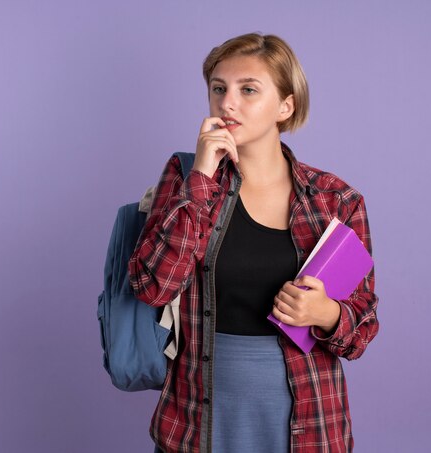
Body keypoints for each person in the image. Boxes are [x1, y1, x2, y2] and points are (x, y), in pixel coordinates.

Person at [129, 32, 379, 453]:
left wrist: (328, 313)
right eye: (218, 89)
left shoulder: (336, 200)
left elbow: (363, 327)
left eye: (248, 90)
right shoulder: (186, 177)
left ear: (286, 105)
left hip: (305, 418)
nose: (228, 103)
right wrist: (202, 180)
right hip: (198, 416)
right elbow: (153, 286)